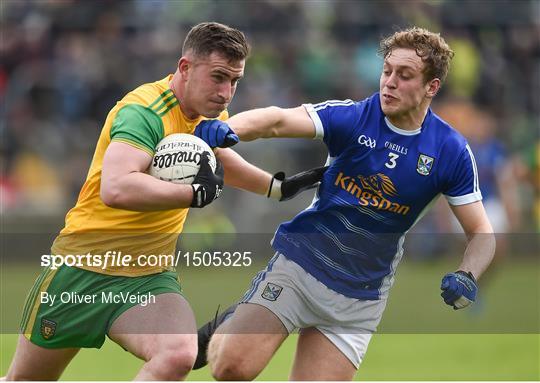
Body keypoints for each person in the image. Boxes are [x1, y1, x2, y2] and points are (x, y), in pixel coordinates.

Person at [5, 22, 324, 381]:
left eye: (235, 81)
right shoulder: (143, 112)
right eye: (218, 77)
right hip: (82, 269)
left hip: (147, 275)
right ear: (185, 68)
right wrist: (192, 194)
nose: (226, 93)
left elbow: (214, 160)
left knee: (177, 355)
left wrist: (276, 188)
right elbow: (117, 188)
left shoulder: (208, 111)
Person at [193, 27, 496, 380]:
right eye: (387, 72)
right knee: (233, 368)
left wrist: (467, 274)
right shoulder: (355, 117)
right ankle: (228, 326)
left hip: (359, 299)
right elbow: (276, 121)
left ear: (432, 87)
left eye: (405, 75)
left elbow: (481, 232)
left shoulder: (451, 150)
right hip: (301, 266)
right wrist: (228, 129)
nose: (389, 83)